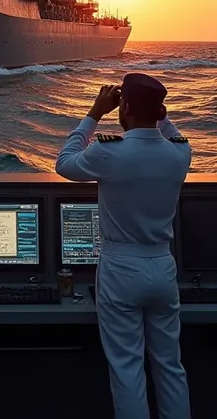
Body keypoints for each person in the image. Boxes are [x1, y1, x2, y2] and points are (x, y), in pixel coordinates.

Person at [56, 74, 191, 419]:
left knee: (127, 369)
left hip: (120, 268)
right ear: (160, 110)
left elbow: (65, 162)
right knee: (170, 366)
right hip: (162, 266)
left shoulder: (107, 151)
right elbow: (170, 131)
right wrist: (157, 112)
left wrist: (94, 113)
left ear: (124, 107)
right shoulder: (180, 154)